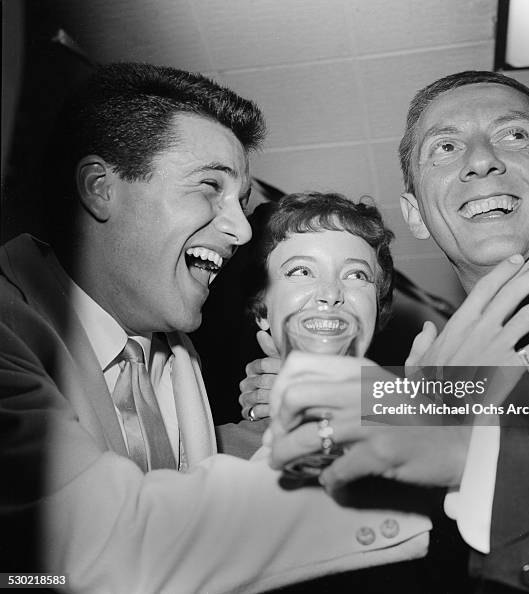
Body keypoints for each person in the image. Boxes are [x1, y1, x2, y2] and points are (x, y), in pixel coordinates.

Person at [0, 62, 433, 593]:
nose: (239, 227)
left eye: (358, 275)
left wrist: (399, 405)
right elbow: (58, 565)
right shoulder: (13, 330)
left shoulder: (180, 366)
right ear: (260, 311)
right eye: (210, 186)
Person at [262, 71, 529, 593]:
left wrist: (459, 448)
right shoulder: (432, 378)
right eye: (445, 147)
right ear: (416, 215)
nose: (479, 159)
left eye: (515, 135)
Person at [216, 190, 394, 458]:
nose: (331, 293)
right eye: (301, 271)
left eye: (356, 274)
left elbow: (478, 406)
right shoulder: (210, 448)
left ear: (377, 307)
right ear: (262, 311)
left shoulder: (427, 420)